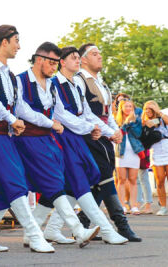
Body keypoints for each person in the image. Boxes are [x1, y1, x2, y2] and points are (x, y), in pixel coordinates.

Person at [0, 25, 54, 254]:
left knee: (2, 190)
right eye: (16, 41)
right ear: (3, 42)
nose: (19, 46)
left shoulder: (11, 75)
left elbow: (22, 108)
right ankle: (34, 235)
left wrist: (48, 123)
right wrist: (11, 118)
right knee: (16, 183)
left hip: (4, 136)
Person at [14, 42, 99, 248]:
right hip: (27, 139)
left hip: (46, 139)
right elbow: (22, 110)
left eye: (56, 63)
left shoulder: (51, 85)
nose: (55, 68)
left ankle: (31, 232)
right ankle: (78, 230)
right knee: (49, 184)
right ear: (40, 59)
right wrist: (51, 123)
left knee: (53, 184)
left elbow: (57, 109)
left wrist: (56, 123)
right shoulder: (20, 80)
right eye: (52, 63)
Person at [45, 46, 128, 245]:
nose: (77, 61)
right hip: (64, 137)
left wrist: (107, 131)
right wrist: (88, 128)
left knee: (74, 184)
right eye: (73, 58)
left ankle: (51, 228)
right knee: (80, 182)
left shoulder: (75, 85)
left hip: (78, 138)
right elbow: (62, 115)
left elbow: (86, 113)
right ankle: (106, 230)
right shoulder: (54, 83)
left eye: (77, 58)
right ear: (62, 62)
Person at [74, 44, 140, 242]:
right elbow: (86, 114)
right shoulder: (79, 81)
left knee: (97, 183)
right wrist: (110, 132)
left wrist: (116, 131)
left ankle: (84, 223)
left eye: (99, 53)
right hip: (90, 135)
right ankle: (121, 225)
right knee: (105, 180)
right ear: (83, 59)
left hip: (104, 135)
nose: (100, 57)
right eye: (94, 54)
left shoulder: (101, 83)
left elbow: (107, 113)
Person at [142, 100, 168, 215]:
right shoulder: (144, 121)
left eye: (151, 109)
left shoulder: (163, 117)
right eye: (146, 109)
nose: (148, 111)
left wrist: (159, 112)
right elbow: (146, 125)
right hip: (155, 149)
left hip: (167, 146)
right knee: (159, 180)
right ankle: (163, 206)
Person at [115, 100, 144, 215]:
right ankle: (122, 205)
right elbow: (117, 131)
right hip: (121, 152)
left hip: (134, 151)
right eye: (126, 106)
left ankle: (134, 205)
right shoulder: (116, 120)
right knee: (121, 179)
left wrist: (131, 122)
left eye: (130, 106)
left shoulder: (137, 120)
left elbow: (138, 134)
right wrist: (125, 122)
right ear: (121, 108)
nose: (128, 108)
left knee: (133, 179)